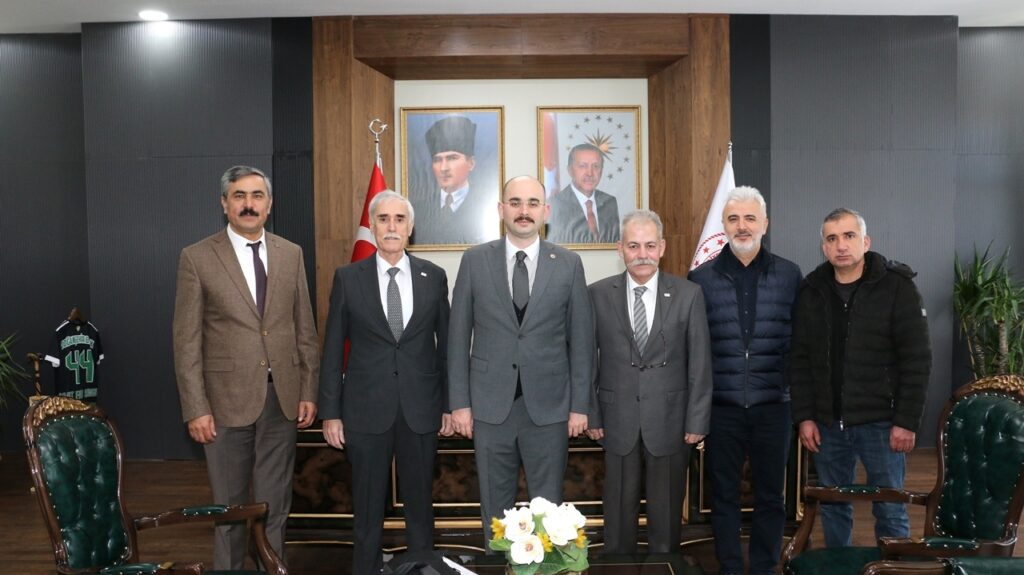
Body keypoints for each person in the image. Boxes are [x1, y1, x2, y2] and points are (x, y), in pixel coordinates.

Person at [172, 165, 320, 570]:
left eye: (257, 196)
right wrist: (196, 408)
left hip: (283, 398)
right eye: (239, 196)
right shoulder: (197, 257)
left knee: (275, 503)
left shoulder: (291, 253)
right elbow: (186, 341)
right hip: (223, 403)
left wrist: (308, 389)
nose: (248, 204)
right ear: (224, 204)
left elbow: (304, 328)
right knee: (229, 509)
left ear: (269, 205)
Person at [448, 175, 594, 544]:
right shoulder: (474, 260)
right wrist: (460, 403)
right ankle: (499, 565)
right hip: (489, 407)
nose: (523, 211)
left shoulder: (569, 264)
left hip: (549, 408)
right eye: (515, 202)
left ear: (546, 211)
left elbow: (581, 341)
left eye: (532, 203)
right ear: (501, 209)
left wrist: (579, 406)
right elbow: (457, 338)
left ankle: (543, 568)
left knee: (548, 511)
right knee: (495, 511)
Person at [318, 190, 452, 575]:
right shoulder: (348, 278)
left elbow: (446, 348)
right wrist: (331, 412)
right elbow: (332, 348)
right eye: (383, 219)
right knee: (367, 507)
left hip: (421, 409)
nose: (391, 226)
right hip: (364, 410)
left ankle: (422, 569)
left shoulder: (433, 277)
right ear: (372, 226)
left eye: (399, 219)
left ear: (410, 228)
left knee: (420, 507)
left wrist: (448, 405)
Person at [790, 207, 931, 548]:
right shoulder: (811, 291)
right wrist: (805, 416)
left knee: (891, 509)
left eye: (849, 236)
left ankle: (892, 569)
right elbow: (799, 360)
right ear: (824, 247)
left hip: (882, 424)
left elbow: (917, 359)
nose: (841, 245)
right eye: (832, 238)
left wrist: (906, 421)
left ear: (865, 242)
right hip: (827, 425)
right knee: (834, 508)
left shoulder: (897, 288)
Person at [688, 186, 802, 575]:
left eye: (750, 218)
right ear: (723, 224)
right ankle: (732, 567)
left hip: (774, 406)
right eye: (734, 218)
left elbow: (800, 341)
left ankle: (765, 566)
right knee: (723, 497)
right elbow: (695, 349)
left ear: (765, 224)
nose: (742, 226)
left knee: (771, 497)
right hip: (722, 408)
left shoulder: (789, 275)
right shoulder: (700, 278)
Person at [586, 209, 713, 553]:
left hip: (672, 421)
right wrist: (592, 413)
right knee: (617, 515)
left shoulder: (689, 294)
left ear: (662, 248)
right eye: (633, 246)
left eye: (649, 245)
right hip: (615, 421)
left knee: (666, 517)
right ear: (620, 249)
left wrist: (697, 420)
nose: (642, 254)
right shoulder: (597, 294)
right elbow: (586, 360)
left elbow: (700, 363)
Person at [410, 115, 495, 245]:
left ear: (471, 163)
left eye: (452, 158)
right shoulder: (418, 210)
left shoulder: (485, 208)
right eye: (437, 160)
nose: (443, 168)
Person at [547, 143, 621, 244]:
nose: (590, 173)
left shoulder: (610, 202)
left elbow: (613, 244)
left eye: (596, 166)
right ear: (570, 170)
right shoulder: (555, 204)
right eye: (582, 166)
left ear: (602, 170)